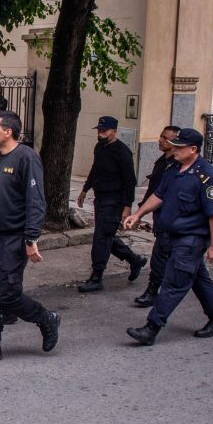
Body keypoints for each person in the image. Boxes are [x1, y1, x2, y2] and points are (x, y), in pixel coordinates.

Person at [0, 111, 60, 364]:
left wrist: (31, 239)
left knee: (7, 294)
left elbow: (36, 201)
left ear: (8, 131)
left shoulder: (26, 158)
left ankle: (46, 318)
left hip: (13, 240)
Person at [124, 128, 213, 345]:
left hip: (191, 239)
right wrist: (138, 213)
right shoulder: (174, 168)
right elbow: (159, 195)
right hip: (172, 236)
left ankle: (151, 328)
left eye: (180, 146)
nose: (175, 148)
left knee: (174, 282)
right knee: (199, 279)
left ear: (193, 149)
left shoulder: (207, 176)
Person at [75, 116, 148, 292]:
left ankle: (96, 277)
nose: (100, 134)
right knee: (105, 235)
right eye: (99, 131)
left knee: (101, 237)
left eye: (104, 131)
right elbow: (95, 169)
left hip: (114, 200)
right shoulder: (99, 147)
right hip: (100, 198)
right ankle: (135, 260)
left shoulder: (122, 152)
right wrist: (85, 189)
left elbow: (130, 180)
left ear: (114, 131)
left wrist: (127, 207)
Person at [133, 125, 180, 307]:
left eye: (165, 138)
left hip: (171, 219)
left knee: (161, 256)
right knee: (169, 257)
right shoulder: (162, 162)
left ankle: (153, 292)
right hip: (160, 217)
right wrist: (141, 210)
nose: (160, 140)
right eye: (161, 136)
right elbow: (154, 190)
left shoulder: (178, 166)